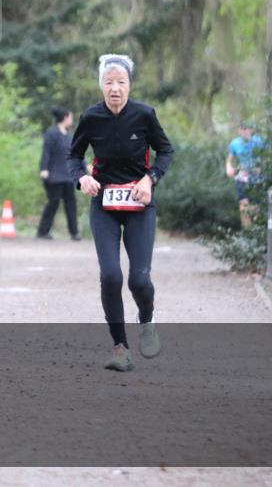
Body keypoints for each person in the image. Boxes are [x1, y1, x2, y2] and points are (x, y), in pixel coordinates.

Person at [68, 54, 174, 372]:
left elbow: (165, 150)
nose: (115, 88)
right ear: (101, 85)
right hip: (105, 206)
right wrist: (81, 177)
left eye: (121, 82)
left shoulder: (144, 115)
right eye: (109, 82)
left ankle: (146, 321)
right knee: (111, 276)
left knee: (139, 280)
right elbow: (73, 155)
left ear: (130, 84)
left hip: (140, 205)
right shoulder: (91, 117)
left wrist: (150, 179)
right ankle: (119, 347)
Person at [36, 107, 81, 241]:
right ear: (66, 117)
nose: (72, 120)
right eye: (71, 117)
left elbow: (76, 154)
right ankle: (43, 231)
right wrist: (43, 169)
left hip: (68, 176)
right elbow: (46, 152)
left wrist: (84, 167)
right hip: (54, 176)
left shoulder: (69, 135)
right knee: (53, 202)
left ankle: (74, 233)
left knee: (71, 204)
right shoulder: (52, 133)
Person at [225, 122, 265, 229]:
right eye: (243, 129)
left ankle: (256, 233)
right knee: (243, 207)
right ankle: (247, 234)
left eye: (247, 129)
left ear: (251, 130)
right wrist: (229, 168)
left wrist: (261, 167)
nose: (245, 132)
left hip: (257, 179)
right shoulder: (234, 143)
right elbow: (229, 160)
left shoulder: (259, 141)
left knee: (255, 208)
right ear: (239, 131)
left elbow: (268, 158)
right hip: (242, 178)